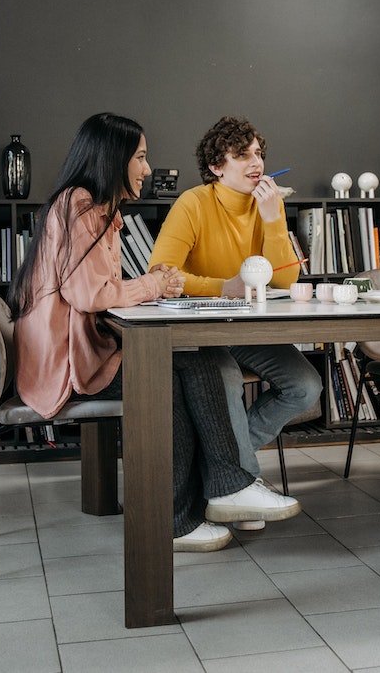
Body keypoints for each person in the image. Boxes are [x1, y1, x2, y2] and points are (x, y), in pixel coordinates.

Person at [9, 113, 300, 552]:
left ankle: (208, 498)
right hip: (67, 367)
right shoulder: (79, 207)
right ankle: (204, 501)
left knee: (193, 362)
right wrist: (155, 284)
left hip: (86, 352)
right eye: (141, 157)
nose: (147, 169)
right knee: (180, 370)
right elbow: (92, 294)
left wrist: (153, 286)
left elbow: (287, 278)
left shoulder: (97, 209)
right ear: (114, 157)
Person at [149, 116, 323, 529]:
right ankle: (237, 486)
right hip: (200, 330)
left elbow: (285, 278)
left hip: (247, 330)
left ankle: (225, 474)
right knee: (225, 381)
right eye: (242, 154)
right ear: (216, 166)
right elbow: (162, 272)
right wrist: (221, 286)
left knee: (305, 386)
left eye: (259, 153)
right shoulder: (193, 203)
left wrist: (273, 217)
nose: (255, 162)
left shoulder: (270, 204)